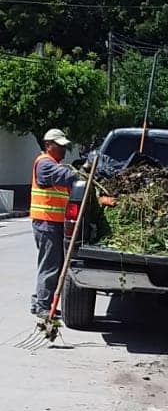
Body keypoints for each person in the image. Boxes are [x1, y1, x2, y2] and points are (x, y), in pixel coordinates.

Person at [29, 127, 75, 319]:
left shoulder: (55, 163)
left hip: (53, 223)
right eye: (60, 146)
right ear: (48, 145)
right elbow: (66, 176)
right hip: (46, 222)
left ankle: (40, 301)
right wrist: (84, 170)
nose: (64, 150)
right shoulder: (45, 164)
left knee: (51, 264)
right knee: (50, 265)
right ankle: (42, 305)